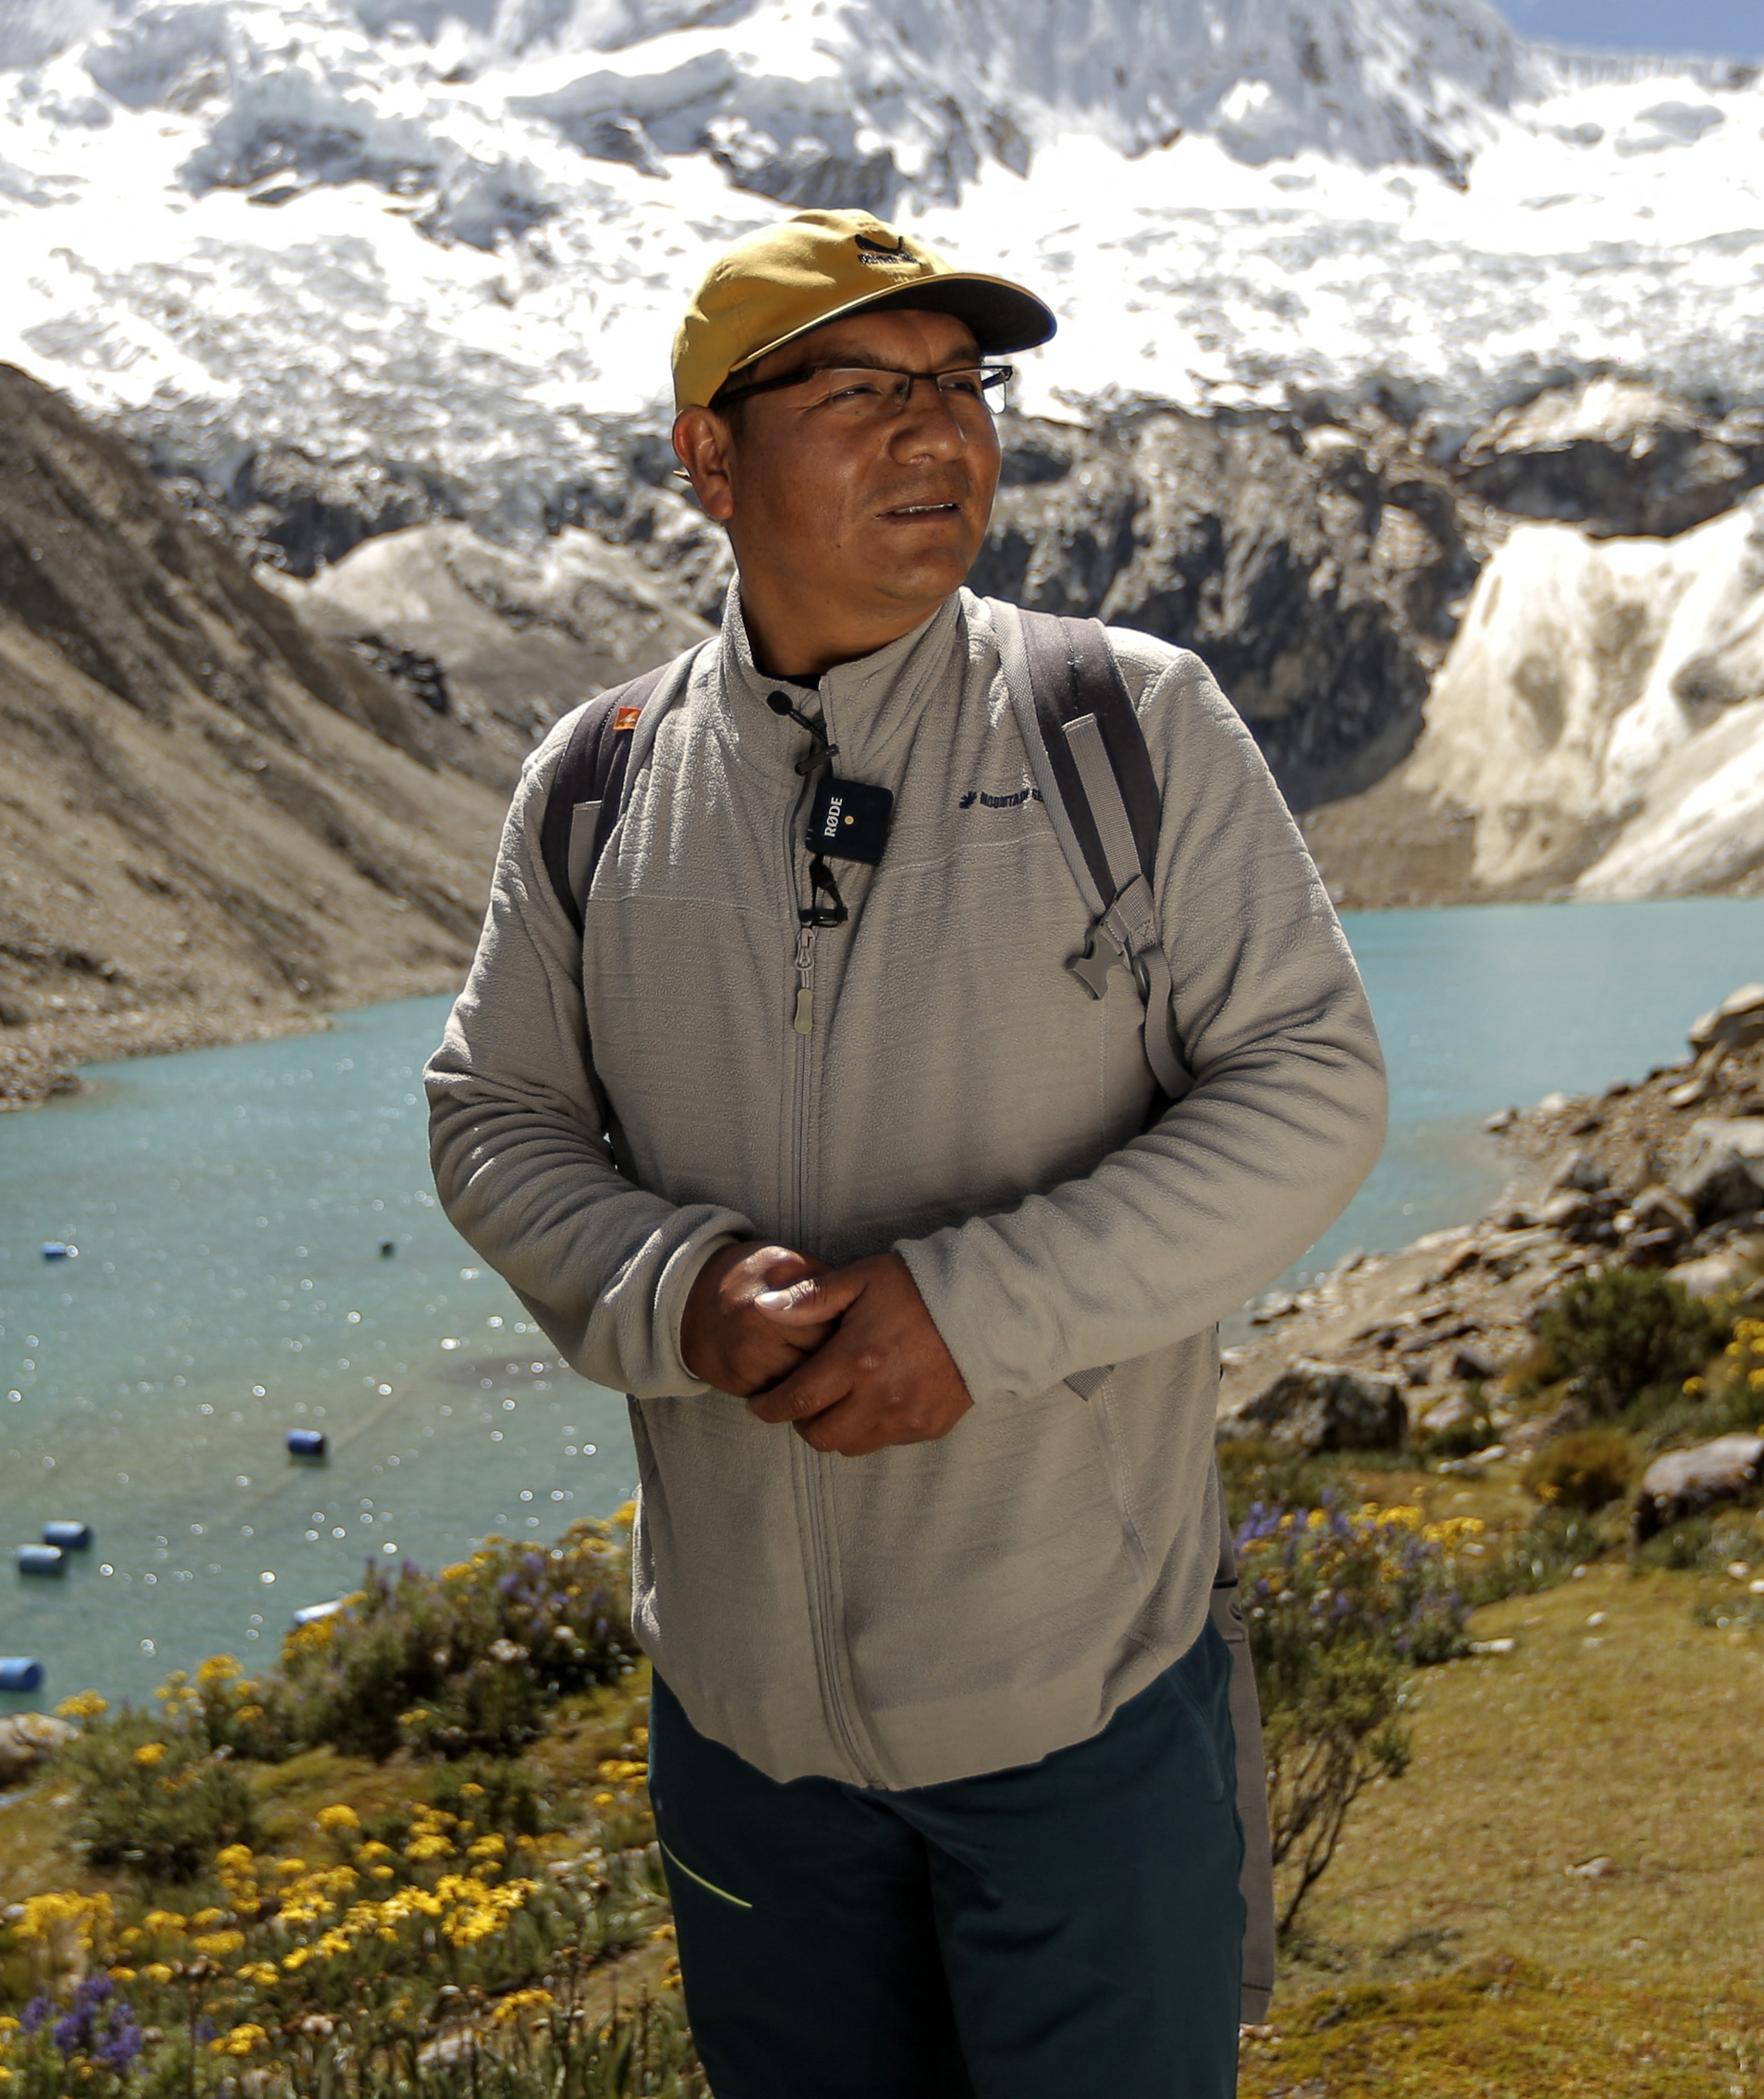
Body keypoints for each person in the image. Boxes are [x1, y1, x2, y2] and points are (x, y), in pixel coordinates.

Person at [426, 209, 1388, 2097]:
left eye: (961, 386)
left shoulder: (1129, 724)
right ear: (707, 451)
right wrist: (673, 1287)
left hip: (1084, 1713)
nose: (938, 435)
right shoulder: (598, 782)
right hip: (740, 1736)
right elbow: (491, 1115)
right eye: (863, 390)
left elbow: (1307, 1085)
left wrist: (974, 1308)